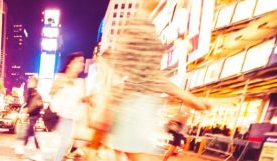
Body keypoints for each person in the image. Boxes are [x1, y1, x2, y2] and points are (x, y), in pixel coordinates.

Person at [88, 1, 211, 160]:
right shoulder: (139, 27)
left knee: (130, 153)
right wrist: (188, 98)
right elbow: (146, 75)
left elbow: (142, 73)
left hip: (137, 103)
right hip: (136, 103)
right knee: (136, 155)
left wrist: (189, 98)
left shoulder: (142, 25)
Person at [50, 52, 88, 161]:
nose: (82, 64)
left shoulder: (81, 82)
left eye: (83, 62)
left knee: (71, 149)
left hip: (76, 120)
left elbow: (83, 101)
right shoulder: (60, 78)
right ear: (70, 63)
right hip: (62, 118)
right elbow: (52, 97)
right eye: (79, 61)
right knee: (62, 146)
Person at [15, 76, 44, 160]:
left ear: (35, 83)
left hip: (34, 116)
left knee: (30, 133)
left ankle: (24, 149)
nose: (29, 83)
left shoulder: (35, 93)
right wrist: (24, 109)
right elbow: (27, 104)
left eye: (31, 82)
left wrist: (27, 110)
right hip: (31, 115)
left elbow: (38, 105)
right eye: (29, 82)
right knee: (30, 133)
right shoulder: (30, 92)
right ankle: (25, 149)